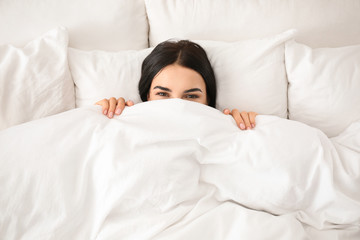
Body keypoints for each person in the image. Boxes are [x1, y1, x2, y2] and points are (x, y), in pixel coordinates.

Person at [95, 40, 257, 130]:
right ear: (147, 96)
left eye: (192, 96)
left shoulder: (228, 127)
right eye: (163, 94)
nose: (177, 106)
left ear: (208, 100)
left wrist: (248, 128)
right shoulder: (124, 123)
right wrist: (100, 115)